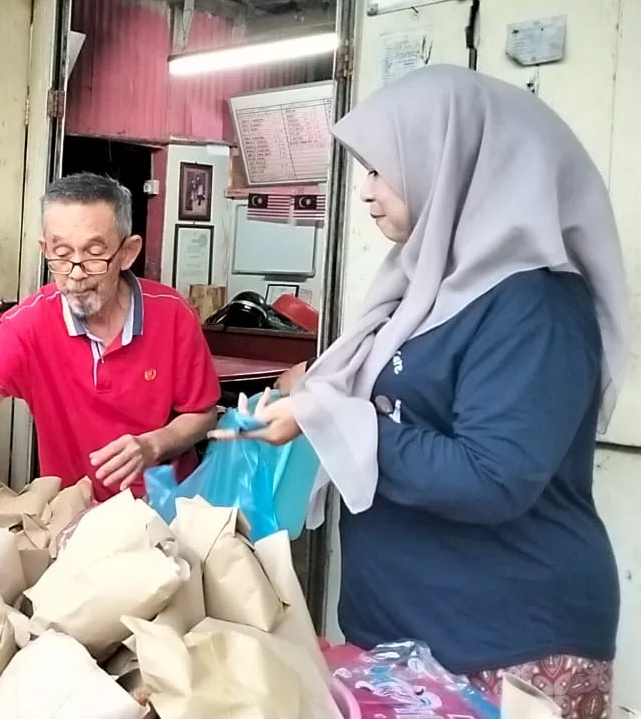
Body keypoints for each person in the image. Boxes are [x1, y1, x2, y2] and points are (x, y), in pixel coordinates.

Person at [220, 66, 623, 716]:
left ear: (455, 166)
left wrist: (339, 419)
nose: (370, 194)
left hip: (503, 646)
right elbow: (382, 400)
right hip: (407, 635)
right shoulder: (421, 291)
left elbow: (493, 477)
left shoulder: (535, 307)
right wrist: (313, 399)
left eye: (384, 171)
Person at [0, 173, 221, 500]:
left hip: (167, 513)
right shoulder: (28, 324)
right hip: (72, 517)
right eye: (62, 254)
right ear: (45, 249)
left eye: (94, 253)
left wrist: (153, 445)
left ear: (128, 252)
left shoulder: (172, 314)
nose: (76, 273)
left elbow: (203, 412)